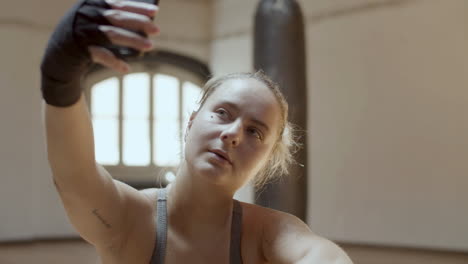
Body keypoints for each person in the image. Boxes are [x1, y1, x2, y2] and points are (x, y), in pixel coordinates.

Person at [41, 0, 354, 263]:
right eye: (222, 113)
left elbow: (323, 257)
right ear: (191, 122)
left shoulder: (269, 234)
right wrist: (61, 73)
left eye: (255, 132)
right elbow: (74, 176)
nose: (233, 134)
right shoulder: (132, 218)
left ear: (267, 161)